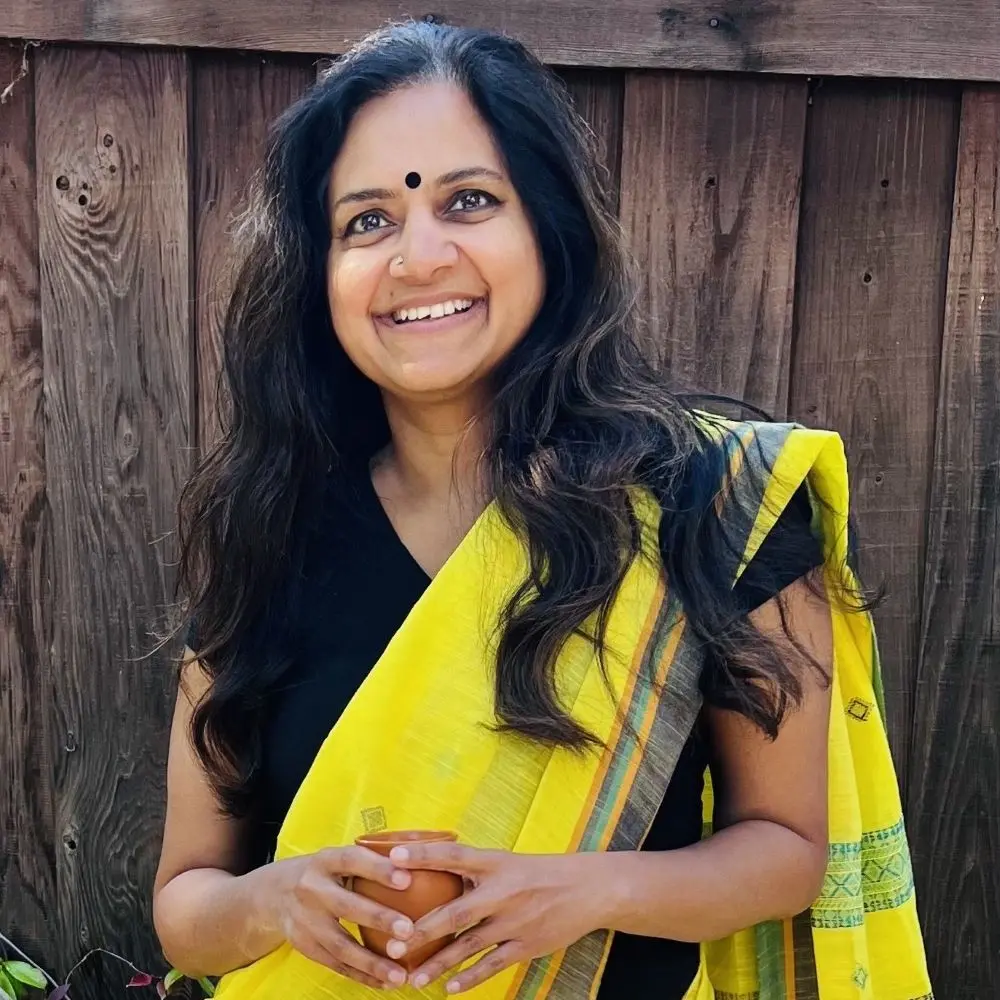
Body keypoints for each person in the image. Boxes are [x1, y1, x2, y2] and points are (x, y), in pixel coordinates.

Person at [153, 21, 931, 1000]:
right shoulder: (271, 536)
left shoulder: (708, 501)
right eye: (367, 220)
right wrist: (277, 900)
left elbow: (783, 848)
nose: (417, 255)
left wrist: (585, 890)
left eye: (468, 201)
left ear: (549, 229)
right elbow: (186, 904)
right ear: (320, 272)